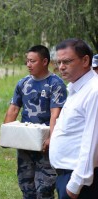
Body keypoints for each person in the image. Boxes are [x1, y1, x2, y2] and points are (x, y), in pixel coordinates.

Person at [3, 45, 67, 198]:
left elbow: (55, 114)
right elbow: (13, 109)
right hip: (25, 142)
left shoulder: (56, 84)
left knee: (44, 188)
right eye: (27, 61)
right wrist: (5, 135)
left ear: (44, 61)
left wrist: (52, 138)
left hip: (45, 145)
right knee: (26, 186)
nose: (28, 65)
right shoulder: (23, 83)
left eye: (32, 61)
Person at [49, 38, 98, 199]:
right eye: (59, 62)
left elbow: (92, 141)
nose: (61, 67)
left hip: (81, 180)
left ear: (85, 60)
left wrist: (75, 184)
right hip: (67, 174)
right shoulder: (76, 88)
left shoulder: (94, 91)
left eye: (67, 62)